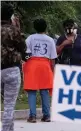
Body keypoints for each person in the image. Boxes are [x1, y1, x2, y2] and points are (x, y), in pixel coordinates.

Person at [23, 18, 57, 123]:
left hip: (32, 64)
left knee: (32, 91)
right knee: (44, 91)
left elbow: (26, 53)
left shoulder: (30, 38)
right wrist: (52, 70)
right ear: (45, 27)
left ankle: (32, 116)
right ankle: (46, 115)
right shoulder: (50, 39)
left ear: (34, 27)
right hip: (45, 65)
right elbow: (53, 58)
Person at [1, 3, 27, 131]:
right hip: (11, 69)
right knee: (9, 105)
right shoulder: (14, 30)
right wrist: (18, 29)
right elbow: (23, 49)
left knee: (6, 102)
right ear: (11, 16)